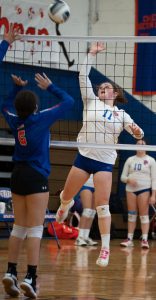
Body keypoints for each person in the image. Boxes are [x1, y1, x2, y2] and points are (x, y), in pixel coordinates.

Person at [55, 42, 144, 267]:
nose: (102, 89)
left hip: (104, 162)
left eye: (107, 87)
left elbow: (139, 133)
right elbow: (82, 75)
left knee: (101, 205)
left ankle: (104, 249)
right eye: (100, 87)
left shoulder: (122, 114)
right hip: (84, 157)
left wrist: (136, 131)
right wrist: (91, 54)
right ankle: (64, 205)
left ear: (115, 93)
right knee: (67, 195)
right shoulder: (91, 101)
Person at [1, 72, 74, 298]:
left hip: (17, 175)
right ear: (35, 107)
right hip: (35, 176)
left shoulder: (15, 120)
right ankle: (31, 276)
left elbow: (4, 105)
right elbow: (69, 102)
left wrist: (15, 89)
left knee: (19, 227)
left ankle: (11, 271)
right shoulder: (41, 118)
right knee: (34, 228)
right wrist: (51, 86)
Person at [120, 139, 156, 249]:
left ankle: (144, 239)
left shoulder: (151, 161)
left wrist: (153, 195)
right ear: (135, 146)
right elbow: (122, 177)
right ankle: (129, 239)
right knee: (131, 214)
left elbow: (154, 179)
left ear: (147, 147)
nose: (140, 145)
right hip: (130, 190)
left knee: (144, 216)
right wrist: (128, 180)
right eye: (138, 144)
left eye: (143, 144)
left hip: (144, 189)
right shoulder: (130, 160)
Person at [74, 174, 98, 246]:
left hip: (97, 185)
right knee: (87, 210)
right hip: (86, 184)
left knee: (92, 212)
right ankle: (79, 237)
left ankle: (86, 237)